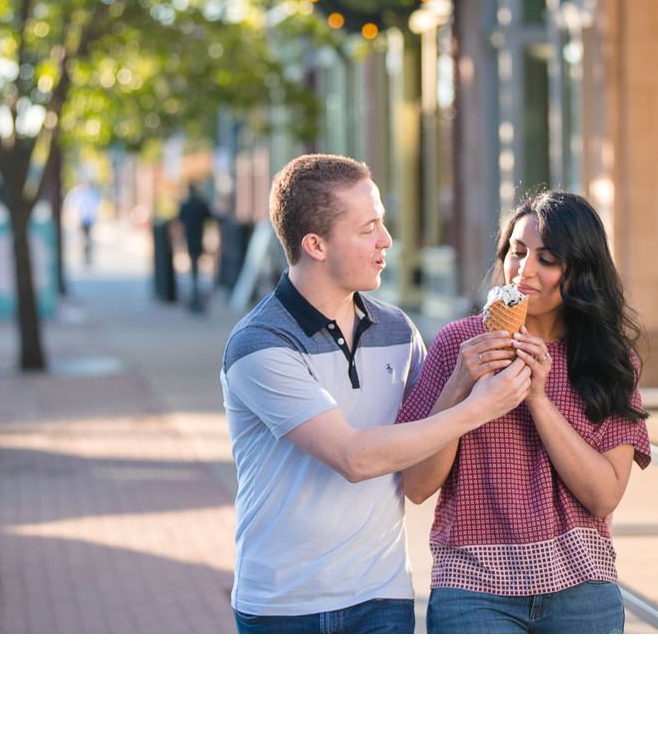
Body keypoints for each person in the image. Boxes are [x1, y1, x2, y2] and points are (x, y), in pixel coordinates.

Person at [220, 154, 529, 634]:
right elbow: (353, 458)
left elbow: (423, 471)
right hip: (284, 604)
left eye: (382, 223)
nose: (386, 240)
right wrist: (476, 408)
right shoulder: (259, 344)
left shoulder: (398, 331)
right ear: (316, 244)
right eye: (368, 229)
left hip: (382, 596)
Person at [399, 190, 650, 634]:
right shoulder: (458, 346)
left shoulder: (608, 360)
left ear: (581, 272)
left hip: (582, 587)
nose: (524, 270)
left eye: (547, 259)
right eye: (517, 253)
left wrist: (538, 398)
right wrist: (462, 383)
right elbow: (417, 486)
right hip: (473, 588)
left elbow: (603, 496)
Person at [177, 184, 214, 314]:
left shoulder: (185, 205)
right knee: (196, 268)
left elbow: (179, 220)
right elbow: (210, 216)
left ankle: (195, 295)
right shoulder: (200, 204)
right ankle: (196, 296)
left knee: (194, 268)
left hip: (190, 240)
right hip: (198, 238)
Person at [72, 179, 101, 270]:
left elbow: (96, 205)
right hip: (81, 219)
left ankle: (88, 257)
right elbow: (73, 206)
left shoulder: (92, 193)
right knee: (83, 239)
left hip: (90, 219)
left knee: (88, 239)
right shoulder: (77, 193)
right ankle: (83, 257)